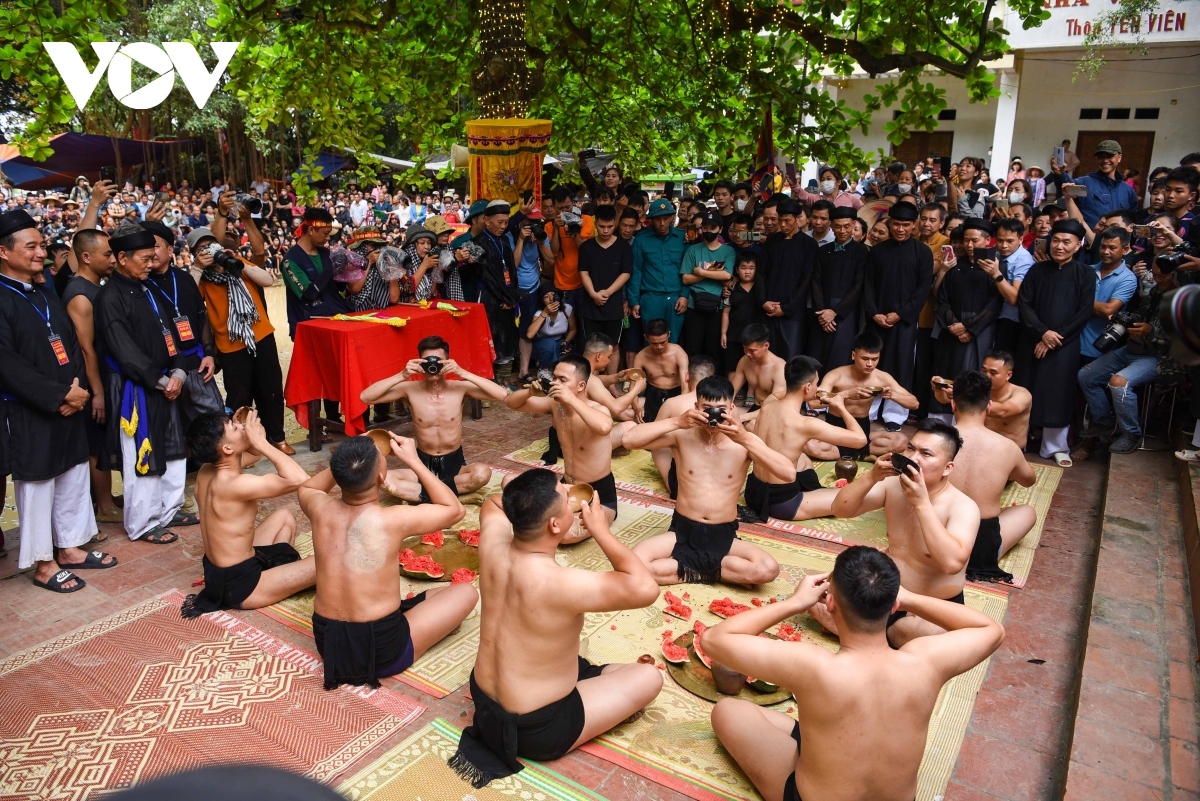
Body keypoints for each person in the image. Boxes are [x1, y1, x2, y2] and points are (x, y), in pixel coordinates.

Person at [705, 547, 1004, 801]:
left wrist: (795, 603)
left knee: (728, 710)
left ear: (829, 602)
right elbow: (991, 629)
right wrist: (911, 598)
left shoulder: (813, 666)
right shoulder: (925, 662)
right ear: (894, 604)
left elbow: (714, 640)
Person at [448, 469, 662, 788]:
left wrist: (528, 496)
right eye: (565, 498)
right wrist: (600, 529)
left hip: (484, 698)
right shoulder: (562, 583)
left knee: (573, 647)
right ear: (556, 524)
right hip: (539, 728)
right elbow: (645, 588)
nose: (570, 495)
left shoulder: (493, 543)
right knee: (649, 677)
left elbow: (494, 503)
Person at [299, 434, 476, 690]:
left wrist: (347, 458)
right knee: (466, 593)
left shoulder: (319, 508)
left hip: (330, 644)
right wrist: (414, 460)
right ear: (382, 480)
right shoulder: (393, 519)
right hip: (383, 650)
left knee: (434, 594)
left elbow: (306, 487)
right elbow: (455, 510)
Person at [0, 209, 110, 593]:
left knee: (73, 473)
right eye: (31, 246)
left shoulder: (43, 289)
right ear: (3, 251)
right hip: (28, 408)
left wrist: (76, 390)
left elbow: (70, 342)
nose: (39, 253)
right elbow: (6, 362)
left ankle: (70, 547)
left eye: (41, 245)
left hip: (70, 401)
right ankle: (44, 563)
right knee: (39, 482)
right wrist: (59, 394)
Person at [820, 420, 980, 646]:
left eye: (926, 454)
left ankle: (867, 633)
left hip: (928, 609)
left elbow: (952, 563)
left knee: (929, 634)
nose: (913, 459)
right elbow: (840, 509)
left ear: (948, 468)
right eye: (911, 449)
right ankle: (883, 636)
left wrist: (922, 504)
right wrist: (872, 477)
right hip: (886, 595)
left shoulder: (963, 507)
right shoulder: (893, 486)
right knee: (817, 598)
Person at [624, 375, 792, 585]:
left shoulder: (744, 442)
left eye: (720, 409)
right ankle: (712, 571)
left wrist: (745, 438)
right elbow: (628, 440)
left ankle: (692, 570)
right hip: (682, 531)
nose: (713, 416)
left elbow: (788, 474)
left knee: (767, 569)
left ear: (732, 408)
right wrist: (677, 421)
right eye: (706, 409)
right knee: (633, 564)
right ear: (696, 407)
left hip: (723, 535)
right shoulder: (682, 436)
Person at [95, 224, 190, 545]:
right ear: (122, 258)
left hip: (167, 382)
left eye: (153, 257)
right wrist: (161, 380)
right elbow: (125, 352)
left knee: (174, 450)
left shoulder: (146, 288)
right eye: (145, 258)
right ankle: (143, 522)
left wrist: (178, 370)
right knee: (143, 456)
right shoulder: (110, 297)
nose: (151, 264)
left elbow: (170, 333)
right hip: (136, 388)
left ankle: (169, 509)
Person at [180, 410, 315, 617]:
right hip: (242, 586)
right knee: (327, 561)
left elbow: (254, 455)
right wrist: (262, 442)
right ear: (226, 448)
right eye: (235, 428)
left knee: (284, 516)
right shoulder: (236, 485)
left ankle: (279, 575)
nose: (242, 427)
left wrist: (250, 437)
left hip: (216, 574)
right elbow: (300, 479)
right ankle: (276, 579)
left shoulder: (207, 470)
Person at [360, 335, 508, 502]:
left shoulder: (460, 388)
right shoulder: (409, 389)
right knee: (382, 479)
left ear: (447, 362)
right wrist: (401, 375)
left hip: (455, 464)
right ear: (419, 363)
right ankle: (453, 496)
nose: (432, 366)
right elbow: (366, 397)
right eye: (426, 362)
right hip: (422, 463)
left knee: (482, 473)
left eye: (438, 361)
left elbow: (502, 395)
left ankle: (426, 495)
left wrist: (462, 372)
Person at [930, 371, 1037, 582]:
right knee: (1027, 512)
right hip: (981, 548)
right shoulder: (1008, 447)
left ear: (953, 405)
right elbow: (1029, 480)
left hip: (936, 536)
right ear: (988, 406)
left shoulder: (934, 441)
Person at [192, 227, 291, 453]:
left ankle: (276, 437)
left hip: (261, 336)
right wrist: (198, 267)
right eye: (202, 249)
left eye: (211, 246)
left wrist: (235, 259)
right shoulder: (203, 280)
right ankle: (244, 445)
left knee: (271, 389)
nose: (209, 252)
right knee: (239, 395)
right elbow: (188, 299)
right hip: (230, 344)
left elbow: (267, 279)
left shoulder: (238, 266)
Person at [1078, 254, 1184, 454]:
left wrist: (1150, 332)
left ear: (1176, 275)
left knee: (1119, 382)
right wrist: (1126, 319)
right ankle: (1105, 422)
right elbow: (1141, 313)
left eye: (1163, 276)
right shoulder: (1156, 292)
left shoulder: (1186, 299)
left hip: (1162, 358)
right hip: (1134, 348)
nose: (1158, 280)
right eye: (1155, 275)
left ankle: (1131, 433)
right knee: (1086, 375)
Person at [504, 355, 620, 538]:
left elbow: (604, 427)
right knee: (509, 482)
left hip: (597, 495)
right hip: (566, 488)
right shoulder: (555, 405)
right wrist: (529, 393)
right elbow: (511, 403)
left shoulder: (597, 409)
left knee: (565, 535)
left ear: (581, 386)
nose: (555, 383)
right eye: (554, 377)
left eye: (562, 380)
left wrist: (572, 400)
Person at [1015, 220, 1097, 466]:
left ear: (1078, 245)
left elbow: (1084, 311)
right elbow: (1024, 304)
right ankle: (1017, 442)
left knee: (1058, 393)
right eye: (1056, 240)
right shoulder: (1037, 270)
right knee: (1025, 390)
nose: (1059, 246)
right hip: (1031, 340)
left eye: (1066, 242)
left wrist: (1053, 338)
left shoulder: (1085, 273)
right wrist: (1041, 333)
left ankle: (1055, 446)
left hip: (1064, 344)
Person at [746, 357, 867, 521]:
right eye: (816, 384)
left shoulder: (770, 400)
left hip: (754, 491)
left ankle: (813, 494)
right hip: (783, 503)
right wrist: (840, 405)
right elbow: (860, 440)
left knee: (803, 460)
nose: (818, 388)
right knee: (854, 495)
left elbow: (789, 394)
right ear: (808, 387)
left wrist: (838, 394)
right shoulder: (806, 424)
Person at [63, 228, 122, 525]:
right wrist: (97, 392)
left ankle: (107, 498)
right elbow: (86, 349)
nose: (113, 259)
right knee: (96, 443)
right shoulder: (80, 296)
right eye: (107, 254)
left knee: (104, 440)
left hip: (106, 375)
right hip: (89, 381)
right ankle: (104, 505)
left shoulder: (98, 287)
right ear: (86, 257)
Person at [862, 202, 934, 431]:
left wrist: (900, 314)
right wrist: (874, 312)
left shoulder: (923, 252)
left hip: (904, 321)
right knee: (872, 364)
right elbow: (869, 285)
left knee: (901, 365)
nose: (900, 229)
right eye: (896, 224)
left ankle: (895, 413)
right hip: (877, 319)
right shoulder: (878, 251)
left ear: (914, 226)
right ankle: (870, 409)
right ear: (889, 223)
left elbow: (923, 289)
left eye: (906, 225)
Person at [929, 218, 1003, 417]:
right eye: (966, 240)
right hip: (951, 330)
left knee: (971, 375)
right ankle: (940, 418)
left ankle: (967, 419)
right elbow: (942, 299)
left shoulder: (994, 267)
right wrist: (953, 324)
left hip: (980, 330)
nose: (969, 245)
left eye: (975, 241)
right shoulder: (955, 265)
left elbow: (995, 304)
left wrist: (969, 328)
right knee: (946, 371)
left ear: (988, 241)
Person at [806, 332, 918, 460]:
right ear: (854, 355)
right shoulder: (836, 375)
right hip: (835, 431)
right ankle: (860, 453)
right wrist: (846, 394)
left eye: (875, 359)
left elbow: (914, 403)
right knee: (809, 444)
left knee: (901, 441)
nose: (870, 364)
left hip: (862, 430)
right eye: (865, 359)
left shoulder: (882, 377)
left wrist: (891, 395)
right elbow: (812, 403)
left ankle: (847, 453)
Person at [648, 354, 718, 498]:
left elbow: (650, 438)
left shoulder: (672, 403)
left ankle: (669, 479)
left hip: (683, 485)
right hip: (720, 484)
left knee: (657, 441)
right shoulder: (727, 407)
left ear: (687, 377)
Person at [808, 205, 868, 371]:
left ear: (854, 224)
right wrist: (822, 312)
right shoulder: (823, 251)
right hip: (822, 312)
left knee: (841, 355)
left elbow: (858, 285)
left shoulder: (861, 252)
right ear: (831, 226)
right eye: (838, 226)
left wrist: (835, 312)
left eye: (847, 226)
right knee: (817, 354)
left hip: (846, 313)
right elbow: (816, 283)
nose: (842, 231)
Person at [760, 199, 817, 359]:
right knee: (766, 355)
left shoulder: (809, 244)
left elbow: (806, 280)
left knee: (790, 356)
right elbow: (761, 273)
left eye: (787, 220)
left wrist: (786, 308)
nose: (783, 224)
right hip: (768, 309)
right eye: (780, 220)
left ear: (798, 219)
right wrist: (763, 301)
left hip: (793, 313)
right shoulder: (772, 241)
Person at [281, 207, 351, 338]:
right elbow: (310, 293)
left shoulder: (326, 253)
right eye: (325, 233)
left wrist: (345, 269)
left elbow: (339, 287)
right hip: (308, 326)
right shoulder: (290, 261)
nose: (328, 238)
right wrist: (331, 267)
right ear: (311, 230)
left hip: (335, 319)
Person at [628, 198, 688, 342]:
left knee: (673, 341)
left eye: (666, 218)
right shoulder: (641, 240)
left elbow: (688, 269)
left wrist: (684, 295)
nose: (662, 224)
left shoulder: (682, 238)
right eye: (657, 219)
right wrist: (634, 301)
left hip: (676, 297)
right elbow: (636, 271)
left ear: (672, 218)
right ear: (651, 220)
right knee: (651, 341)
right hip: (651, 298)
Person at [681, 210, 735, 363]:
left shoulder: (728, 251)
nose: (708, 231)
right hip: (694, 305)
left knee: (714, 350)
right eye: (705, 227)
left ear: (720, 229)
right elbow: (685, 279)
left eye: (713, 228)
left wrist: (700, 272)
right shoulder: (693, 250)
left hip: (716, 306)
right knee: (693, 348)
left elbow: (726, 275)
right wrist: (712, 273)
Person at [577, 205, 632, 354]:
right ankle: (593, 377)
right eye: (602, 226)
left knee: (613, 347)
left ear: (615, 224)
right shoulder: (586, 247)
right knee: (591, 346)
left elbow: (626, 273)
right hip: (590, 305)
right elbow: (584, 273)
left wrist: (607, 292)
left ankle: (612, 377)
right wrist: (593, 294)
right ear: (596, 224)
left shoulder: (623, 247)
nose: (606, 230)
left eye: (609, 226)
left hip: (614, 305)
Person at [1079, 227, 1139, 364]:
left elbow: (1108, 310)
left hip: (1098, 347)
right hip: (1073, 343)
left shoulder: (1127, 278)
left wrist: (1077, 301)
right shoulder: (1087, 270)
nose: (1106, 252)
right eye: (1103, 247)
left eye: (1112, 248)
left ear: (1124, 250)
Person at [474, 200, 521, 369]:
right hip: (490, 297)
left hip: (507, 298)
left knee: (507, 337)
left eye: (506, 223)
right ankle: (490, 379)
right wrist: (505, 297)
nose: (503, 226)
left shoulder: (505, 242)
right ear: (487, 220)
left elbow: (512, 270)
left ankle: (505, 380)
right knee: (491, 338)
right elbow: (488, 275)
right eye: (499, 222)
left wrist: (513, 297)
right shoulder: (478, 243)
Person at [1057, 140, 1139, 228]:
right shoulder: (1085, 183)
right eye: (1100, 157)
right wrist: (1060, 174)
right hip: (1091, 240)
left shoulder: (1128, 191)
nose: (1105, 160)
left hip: (1119, 241)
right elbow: (1067, 188)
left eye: (1109, 156)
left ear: (1119, 157)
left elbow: (1132, 220)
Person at [985, 218, 1035, 354]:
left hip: (1011, 320)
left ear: (1020, 239)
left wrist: (996, 274)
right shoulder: (996, 255)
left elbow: (1014, 298)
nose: (1004, 245)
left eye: (1010, 241)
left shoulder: (1025, 261)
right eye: (1000, 240)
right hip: (992, 315)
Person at [633, 318, 689, 421]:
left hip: (675, 394)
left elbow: (685, 387)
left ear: (668, 335)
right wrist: (637, 408)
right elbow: (633, 387)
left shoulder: (678, 353)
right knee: (624, 411)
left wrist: (679, 406)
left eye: (663, 342)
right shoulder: (641, 357)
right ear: (646, 338)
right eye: (654, 343)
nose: (659, 347)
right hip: (653, 394)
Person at [720, 251, 767, 376]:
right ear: (737, 269)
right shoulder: (732, 288)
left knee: (754, 364)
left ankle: (751, 393)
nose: (747, 272)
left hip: (755, 335)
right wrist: (724, 333)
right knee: (732, 363)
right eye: (743, 268)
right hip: (734, 334)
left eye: (751, 268)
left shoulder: (761, 288)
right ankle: (733, 391)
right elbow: (726, 312)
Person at [979, 350, 1032, 448]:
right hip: (981, 448)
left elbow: (1003, 411)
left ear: (1009, 375)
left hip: (1010, 452)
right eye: (984, 371)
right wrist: (941, 389)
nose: (986, 376)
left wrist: (966, 397)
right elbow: (945, 400)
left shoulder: (1022, 394)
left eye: (993, 372)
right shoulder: (977, 389)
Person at [730, 323, 786, 409]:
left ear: (766, 346)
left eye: (752, 350)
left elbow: (775, 406)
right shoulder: (744, 361)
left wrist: (742, 418)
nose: (747, 354)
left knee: (748, 422)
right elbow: (731, 392)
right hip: (757, 406)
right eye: (745, 348)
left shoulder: (779, 368)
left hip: (775, 410)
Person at [526, 287, 575, 370]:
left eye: (553, 294)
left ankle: (561, 372)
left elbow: (573, 330)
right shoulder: (539, 313)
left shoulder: (567, 309)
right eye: (546, 297)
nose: (551, 299)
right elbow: (529, 335)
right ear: (542, 301)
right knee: (550, 344)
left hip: (559, 340)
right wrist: (545, 313)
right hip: (542, 343)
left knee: (569, 348)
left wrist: (566, 342)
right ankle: (545, 370)